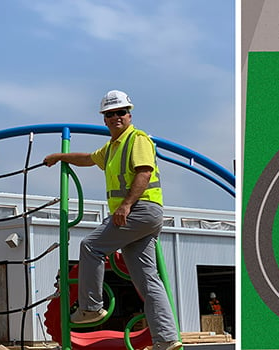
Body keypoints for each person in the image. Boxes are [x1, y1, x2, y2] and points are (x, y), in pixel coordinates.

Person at [43, 90, 181, 350]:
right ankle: (166, 339)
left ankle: (91, 308)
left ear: (129, 115)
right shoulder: (112, 147)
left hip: (140, 210)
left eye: (121, 112)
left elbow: (144, 172)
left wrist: (126, 205)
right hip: (143, 216)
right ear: (105, 119)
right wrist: (60, 157)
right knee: (148, 279)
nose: (116, 117)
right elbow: (88, 159)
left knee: (91, 246)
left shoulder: (137, 139)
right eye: (110, 114)